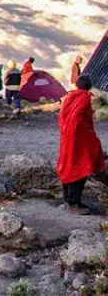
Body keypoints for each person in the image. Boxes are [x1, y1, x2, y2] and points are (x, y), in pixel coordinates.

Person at [57, 75, 108, 215]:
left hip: (68, 139)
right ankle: (73, 203)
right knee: (81, 168)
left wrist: (68, 133)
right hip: (79, 140)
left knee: (68, 166)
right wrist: (87, 135)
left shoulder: (70, 97)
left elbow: (64, 116)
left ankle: (69, 200)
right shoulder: (84, 98)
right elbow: (77, 118)